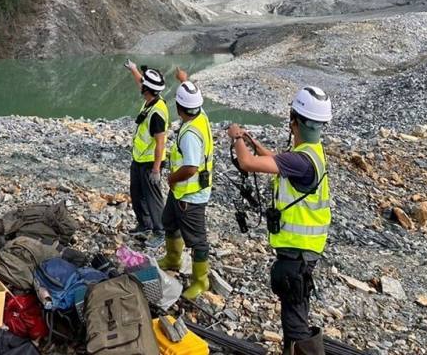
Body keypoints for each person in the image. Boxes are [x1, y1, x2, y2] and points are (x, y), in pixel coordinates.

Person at [227, 86, 332, 355]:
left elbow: (247, 163)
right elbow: (275, 161)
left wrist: (237, 136)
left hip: (296, 254)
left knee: (295, 322)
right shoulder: (311, 154)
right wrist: (254, 143)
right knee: (296, 311)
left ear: (294, 121)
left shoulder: (301, 160)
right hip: (304, 252)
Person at [156, 68, 213, 300]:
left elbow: (191, 167)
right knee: (169, 221)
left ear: (178, 109)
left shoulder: (190, 133)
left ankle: (201, 281)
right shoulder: (201, 116)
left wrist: (171, 178)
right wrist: (184, 80)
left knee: (197, 240)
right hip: (181, 193)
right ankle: (173, 259)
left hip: (190, 195)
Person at [124, 59, 168, 249]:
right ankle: (144, 225)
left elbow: (160, 143)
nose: (140, 87)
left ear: (147, 90)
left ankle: (160, 231)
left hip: (151, 162)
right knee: (137, 193)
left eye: (143, 86)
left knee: (153, 198)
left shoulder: (157, 113)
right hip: (139, 159)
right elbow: (141, 80)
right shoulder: (152, 99)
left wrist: (156, 169)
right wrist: (133, 69)